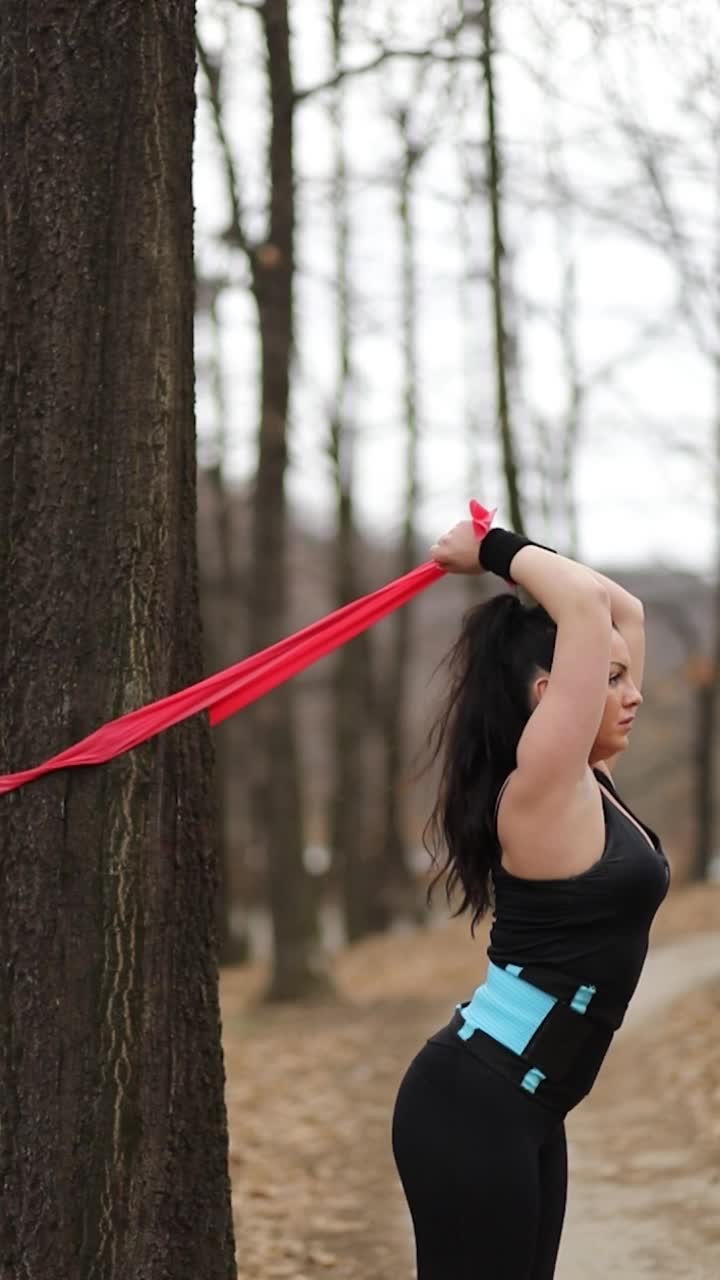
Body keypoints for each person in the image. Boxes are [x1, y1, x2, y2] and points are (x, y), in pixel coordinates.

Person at [391, 520, 670, 1280]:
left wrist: (498, 550)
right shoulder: (542, 788)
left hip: (525, 1109)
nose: (633, 692)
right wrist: (490, 551)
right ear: (550, 696)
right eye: (610, 678)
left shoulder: (592, 785)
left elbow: (624, 610)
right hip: (473, 1106)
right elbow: (583, 606)